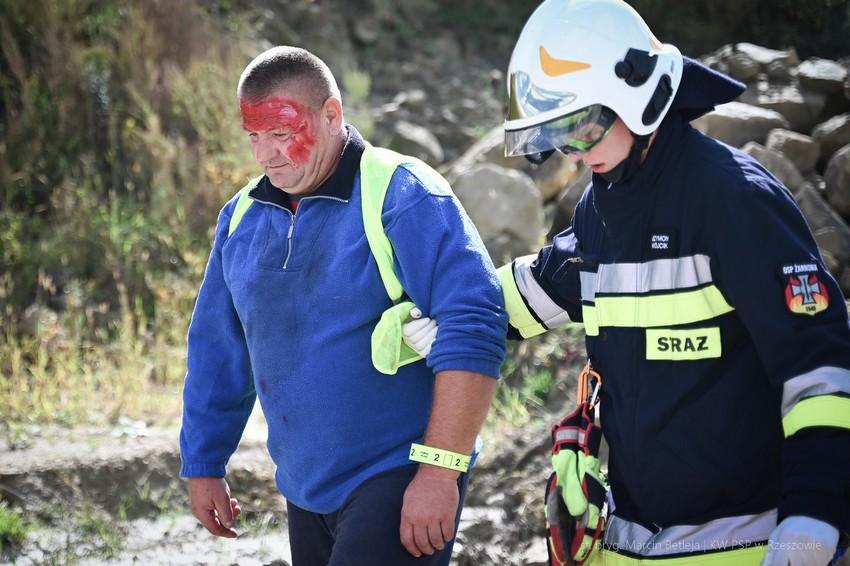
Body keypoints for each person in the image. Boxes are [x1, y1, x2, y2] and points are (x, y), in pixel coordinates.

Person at [406, 1, 850, 564]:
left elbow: (821, 374)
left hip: (744, 543)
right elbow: (538, 288)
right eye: (558, 138)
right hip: (627, 542)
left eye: (582, 130)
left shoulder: (735, 202)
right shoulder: (603, 210)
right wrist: (447, 312)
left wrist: (812, 524)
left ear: (642, 95)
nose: (573, 154)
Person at [179, 46, 507, 566]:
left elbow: (475, 323)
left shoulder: (403, 193)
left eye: (281, 133)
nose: (266, 155)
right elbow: (219, 350)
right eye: (254, 136)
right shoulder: (240, 219)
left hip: (397, 474)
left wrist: (439, 472)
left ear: (332, 114)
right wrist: (203, 463)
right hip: (305, 489)